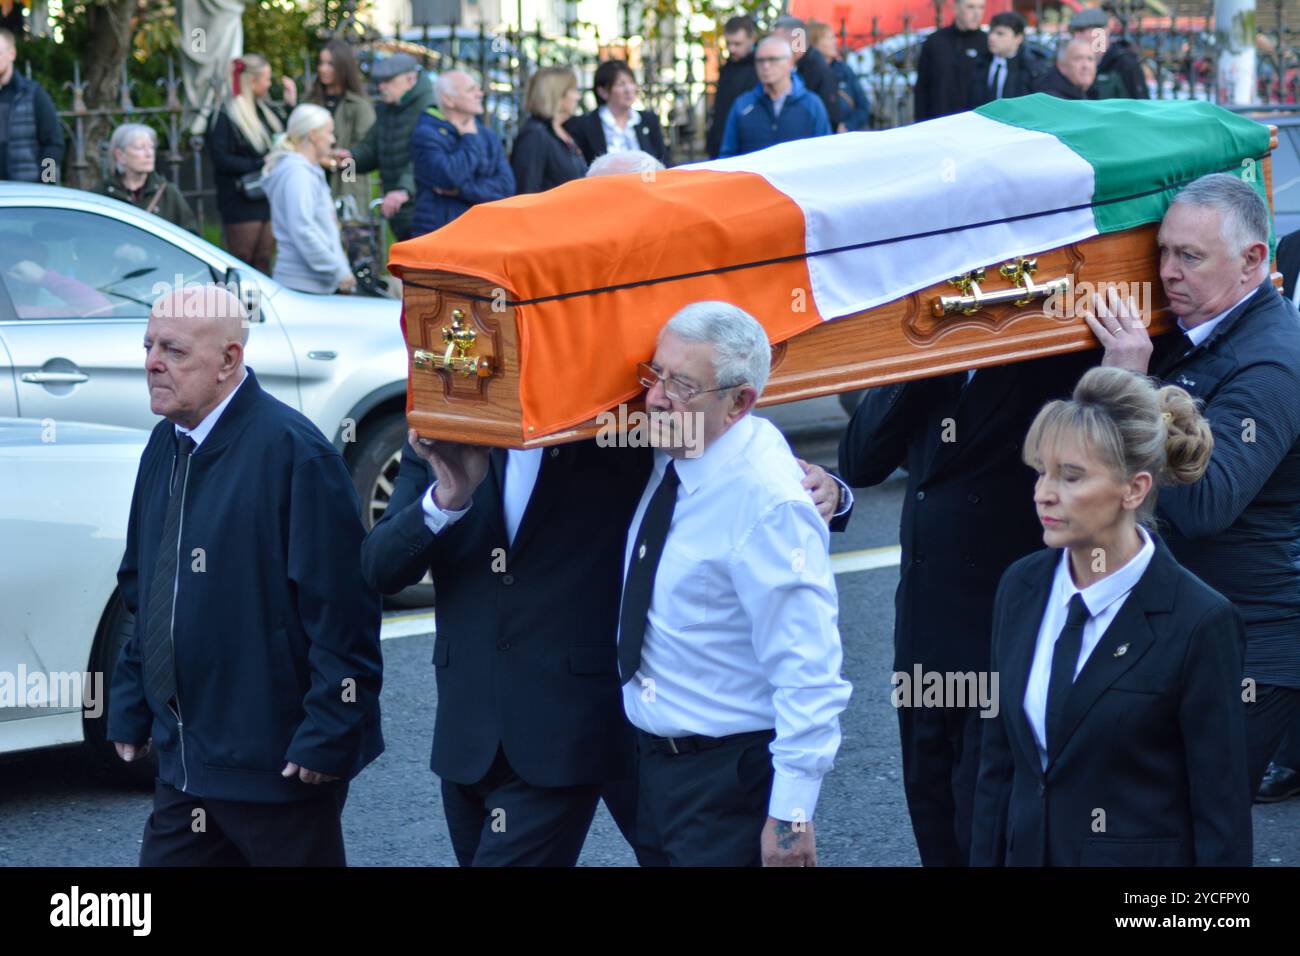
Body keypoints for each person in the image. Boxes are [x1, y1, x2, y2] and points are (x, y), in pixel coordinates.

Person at [360, 333, 849, 868]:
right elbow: (381, 569)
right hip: (467, 731)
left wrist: (829, 489)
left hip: (574, 727)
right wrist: (447, 498)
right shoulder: (444, 423)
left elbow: (726, 444)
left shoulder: (614, 424)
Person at [107, 284, 383, 866]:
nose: (153, 362)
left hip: (277, 767)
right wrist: (131, 703)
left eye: (175, 351)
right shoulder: (166, 443)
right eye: (149, 345)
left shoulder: (294, 454)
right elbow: (142, 589)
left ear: (229, 360)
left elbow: (345, 612)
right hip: (187, 765)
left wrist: (325, 737)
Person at [971, 367, 1251, 866]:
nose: (1043, 493)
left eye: (1071, 476)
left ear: (1134, 489)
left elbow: (1221, 812)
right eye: (1041, 470)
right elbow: (1000, 766)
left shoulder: (1200, 622)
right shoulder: (1020, 586)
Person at [1087, 173, 1300, 798]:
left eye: (1190, 256)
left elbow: (1205, 503)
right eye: (1163, 252)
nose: (1169, 271)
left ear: (1252, 260)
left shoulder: (1272, 363)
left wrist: (1130, 386)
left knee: (1187, 822)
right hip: (1184, 623)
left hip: (1250, 640)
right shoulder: (1192, 329)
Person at [619, 302, 853, 867]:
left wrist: (792, 817)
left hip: (727, 787)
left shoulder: (768, 503)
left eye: (681, 385)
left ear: (739, 402)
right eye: (655, 374)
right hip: (654, 771)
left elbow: (810, 670)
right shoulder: (680, 448)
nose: (655, 398)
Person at [839, 349, 1095, 866]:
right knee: (931, 806)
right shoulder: (931, 356)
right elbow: (861, 462)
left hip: (1000, 634)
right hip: (924, 627)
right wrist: (917, 360)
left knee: (988, 824)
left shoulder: (1050, 348)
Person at [206, 53, 291, 274]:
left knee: (263, 259)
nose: (269, 84)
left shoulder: (265, 111)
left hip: (265, 196)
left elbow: (286, 137)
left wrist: (291, 106)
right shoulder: (224, 116)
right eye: (266, 79)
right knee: (242, 261)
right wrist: (259, 163)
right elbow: (221, 159)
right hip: (240, 200)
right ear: (252, 82)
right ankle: (239, 308)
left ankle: (260, 308)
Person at [338, 53, 433, 243]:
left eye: (388, 81)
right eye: (380, 81)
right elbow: (371, 149)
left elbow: (426, 157)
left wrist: (404, 190)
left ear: (410, 79)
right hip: (398, 208)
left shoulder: (429, 106)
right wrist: (348, 159)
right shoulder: (387, 108)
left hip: (423, 208)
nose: (381, 87)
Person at [262, 104, 356, 295]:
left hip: (311, 282)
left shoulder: (305, 170)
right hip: (303, 283)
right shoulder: (298, 174)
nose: (333, 139)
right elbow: (302, 229)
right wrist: (338, 270)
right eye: (329, 132)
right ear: (313, 135)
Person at [409, 70, 514, 237]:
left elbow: (506, 187)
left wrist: (462, 190)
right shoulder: (426, 134)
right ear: (448, 100)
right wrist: (469, 139)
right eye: (471, 90)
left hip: (482, 232)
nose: (480, 94)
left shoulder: (487, 135)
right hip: (440, 235)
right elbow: (450, 177)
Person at [718, 36, 831, 159]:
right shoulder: (743, 105)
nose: (766, 66)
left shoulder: (811, 104)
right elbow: (728, 156)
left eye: (773, 59)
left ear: (790, 63)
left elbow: (825, 155)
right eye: (760, 60)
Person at [305, 37, 376, 221]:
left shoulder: (359, 105)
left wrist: (342, 173)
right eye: (321, 63)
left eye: (330, 64)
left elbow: (362, 152)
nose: (323, 69)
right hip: (312, 180)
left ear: (343, 67)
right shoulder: (311, 102)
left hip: (346, 183)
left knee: (347, 238)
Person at [96, 122, 199, 234]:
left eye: (151, 147)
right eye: (140, 148)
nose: (149, 153)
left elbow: (191, 236)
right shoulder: (103, 195)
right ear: (120, 155)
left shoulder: (167, 193)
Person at [564, 60, 669, 167]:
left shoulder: (648, 120)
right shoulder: (585, 125)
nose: (628, 89)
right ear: (603, 92)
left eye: (631, 82)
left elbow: (662, 161)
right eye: (620, 84)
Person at [0, 26, 64, 183]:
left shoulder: (33, 94)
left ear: (12, 54)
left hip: (26, 194)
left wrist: (46, 183)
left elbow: (53, 144)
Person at [511, 66, 587, 194]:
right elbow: (526, 191)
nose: (578, 96)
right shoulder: (535, 135)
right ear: (557, 94)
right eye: (573, 90)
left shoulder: (562, 130)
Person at [0, 233, 111, 319]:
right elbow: (100, 310)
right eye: (29, 272)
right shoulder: (20, 315)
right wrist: (44, 278)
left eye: (40, 266)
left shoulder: (16, 314)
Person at [913, 0, 988, 122]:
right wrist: (921, 124)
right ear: (956, 8)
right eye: (970, 7)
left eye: (981, 7)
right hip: (939, 121)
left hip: (976, 123)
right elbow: (922, 88)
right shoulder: (935, 42)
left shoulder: (988, 43)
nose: (977, 13)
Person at [772, 14, 841, 131]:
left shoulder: (815, 68)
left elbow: (829, 116)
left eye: (780, 42)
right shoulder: (800, 63)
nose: (774, 47)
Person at [706, 15, 758, 159]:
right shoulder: (728, 67)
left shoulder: (761, 69)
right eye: (728, 43)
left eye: (737, 43)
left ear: (752, 39)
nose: (732, 49)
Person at [1070, 6, 1148, 99]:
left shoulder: (1124, 62)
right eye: (1074, 31)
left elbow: (1139, 102)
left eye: (1082, 30)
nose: (1076, 36)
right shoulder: (1075, 63)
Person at [968, 11, 1042, 108]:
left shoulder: (1032, 69)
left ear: (1018, 38)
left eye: (1000, 34)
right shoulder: (979, 63)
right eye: (991, 31)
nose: (991, 37)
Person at [810, 21, 870, 132]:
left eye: (834, 37)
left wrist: (848, 126)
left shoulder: (844, 70)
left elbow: (863, 106)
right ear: (815, 44)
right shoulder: (807, 73)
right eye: (829, 38)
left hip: (844, 137)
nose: (835, 42)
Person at [1034, 36, 1099, 100]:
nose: (1086, 65)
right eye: (1078, 58)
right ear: (1061, 65)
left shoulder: (1090, 94)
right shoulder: (1049, 100)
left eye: (1090, 59)